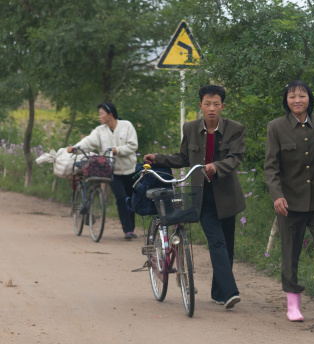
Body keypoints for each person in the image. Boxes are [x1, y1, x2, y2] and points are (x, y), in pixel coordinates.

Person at [144, 85, 245, 310]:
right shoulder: (190, 128)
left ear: (223, 106)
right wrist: (158, 158)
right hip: (201, 194)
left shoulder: (235, 129)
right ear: (200, 106)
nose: (211, 109)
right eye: (207, 104)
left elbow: (235, 158)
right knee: (216, 241)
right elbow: (182, 157)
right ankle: (230, 293)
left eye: (216, 104)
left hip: (227, 195)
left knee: (227, 245)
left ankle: (218, 292)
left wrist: (216, 166)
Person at [264, 80, 314, 322]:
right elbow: (271, 167)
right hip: (288, 203)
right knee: (290, 253)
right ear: (286, 101)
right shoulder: (276, 127)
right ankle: (293, 306)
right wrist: (277, 195)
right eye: (291, 96)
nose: (297, 100)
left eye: (301, 95)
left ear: (309, 98)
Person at [67, 102, 138, 240]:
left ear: (110, 114)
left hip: (130, 169)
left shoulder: (127, 126)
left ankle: (131, 226)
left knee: (130, 199)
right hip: (112, 171)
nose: (99, 116)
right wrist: (75, 147)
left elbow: (133, 145)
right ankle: (128, 230)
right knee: (121, 198)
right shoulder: (100, 131)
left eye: (101, 114)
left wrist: (118, 150)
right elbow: (87, 142)